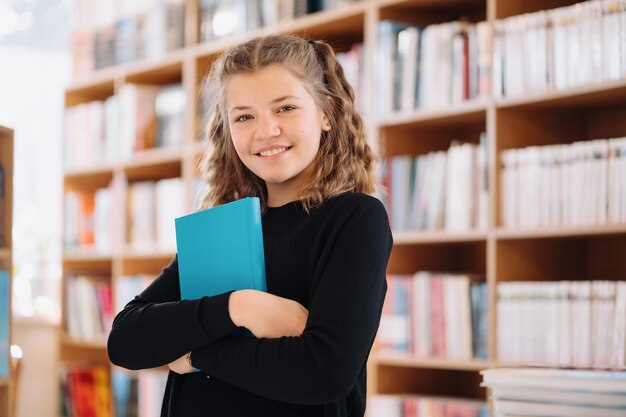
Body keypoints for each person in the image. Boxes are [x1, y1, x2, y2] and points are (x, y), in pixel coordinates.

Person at [107, 34, 393, 417]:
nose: (265, 131)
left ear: (326, 112)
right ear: (227, 129)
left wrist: (195, 354)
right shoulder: (223, 227)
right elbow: (126, 340)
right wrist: (240, 307)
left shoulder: (356, 219)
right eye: (244, 116)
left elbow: (323, 371)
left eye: (285, 108)